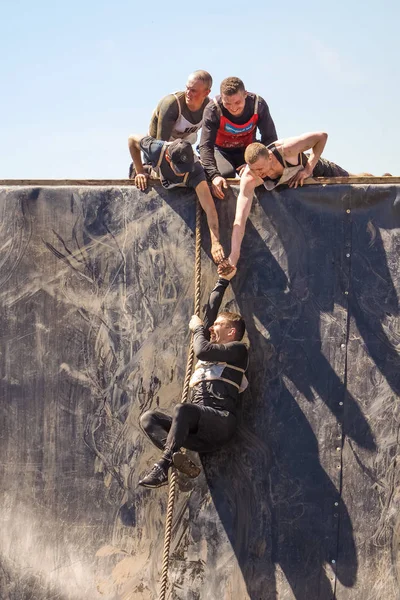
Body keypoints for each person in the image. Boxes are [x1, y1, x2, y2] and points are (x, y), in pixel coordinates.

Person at [138, 267, 248, 488]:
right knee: (148, 418)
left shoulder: (238, 350)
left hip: (221, 423)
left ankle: (163, 467)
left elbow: (202, 350)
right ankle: (177, 458)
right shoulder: (212, 347)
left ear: (232, 332)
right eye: (212, 325)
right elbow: (211, 308)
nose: (212, 328)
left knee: (183, 409)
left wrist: (198, 329)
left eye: (218, 325)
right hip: (199, 432)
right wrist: (222, 281)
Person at [218, 132, 350, 273]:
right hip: (303, 195)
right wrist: (234, 256)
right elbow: (240, 219)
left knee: (355, 185)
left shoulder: (287, 149)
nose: (258, 173)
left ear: (269, 157)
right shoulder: (250, 177)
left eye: (261, 169)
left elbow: (322, 136)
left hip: (317, 170)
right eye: (253, 169)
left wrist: (307, 170)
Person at [128, 134, 224, 264]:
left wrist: (216, 243)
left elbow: (210, 209)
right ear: (168, 157)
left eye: (185, 168)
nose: (183, 172)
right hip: (157, 175)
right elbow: (132, 140)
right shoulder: (156, 149)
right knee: (136, 173)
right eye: (179, 169)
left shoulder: (196, 172)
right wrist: (139, 171)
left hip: (184, 188)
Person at [199, 76, 277, 200]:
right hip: (221, 151)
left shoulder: (258, 105)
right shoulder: (213, 109)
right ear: (221, 98)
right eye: (227, 103)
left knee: (260, 172)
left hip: (247, 151)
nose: (233, 108)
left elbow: (270, 139)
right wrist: (214, 175)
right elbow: (205, 145)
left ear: (245, 94)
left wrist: (255, 164)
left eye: (237, 103)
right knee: (224, 175)